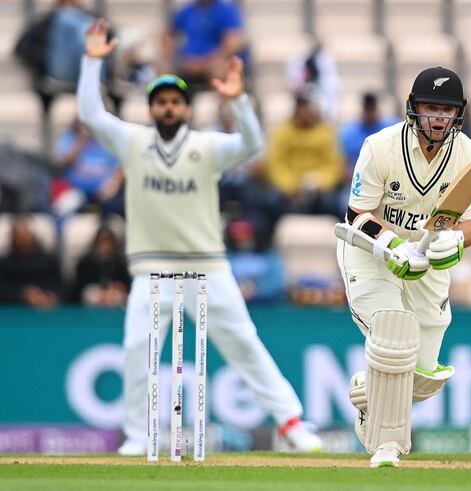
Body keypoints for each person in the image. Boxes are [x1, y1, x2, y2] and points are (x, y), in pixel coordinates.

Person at [77, 19, 321, 455]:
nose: (168, 108)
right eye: (161, 102)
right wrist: (92, 62)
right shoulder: (132, 143)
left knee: (243, 343)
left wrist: (240, 100)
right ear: (151, 109)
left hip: (206, 267)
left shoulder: (206, 147)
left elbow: (251, 146)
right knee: (138, 350)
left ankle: (291, 423)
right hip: (152, 269)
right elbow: (92, 115)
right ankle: (137, 436)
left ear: (187, 108)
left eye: (176, 102)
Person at [337, 67, 471, 467]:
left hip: (429, 261)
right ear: (413, 109)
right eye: (431, 107)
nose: (438, 117)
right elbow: (357, 214)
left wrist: (453, 242)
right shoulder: (380, 146)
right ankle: (388, 449)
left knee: (425, 377)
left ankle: (369, 389)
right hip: (371, 254)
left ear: (459, 114)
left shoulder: (470, 155)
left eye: (447, 109)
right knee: (395, 340)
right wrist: (393, 245)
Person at [247, 94, 344, 245]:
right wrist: (291, 187)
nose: (304, 112)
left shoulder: (326, 132)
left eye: (307, 107)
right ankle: (268, 247)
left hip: (320, 191)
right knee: (267, 205)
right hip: (289, 192)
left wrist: (320, 184)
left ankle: (345, 250)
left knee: (342, 206)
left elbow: (333, 166)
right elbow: (276, 165)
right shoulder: (283, 132)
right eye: (301, 107)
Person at [161, 0, 248, 90]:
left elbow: (232, 43)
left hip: (213, 63)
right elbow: (167, 35)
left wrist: (205, 63)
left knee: (222, 71)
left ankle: (220, 103)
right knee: (165, 69)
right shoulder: (186, 10)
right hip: (187, 62)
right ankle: (171, 102)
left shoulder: (227, 11)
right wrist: (174, 56)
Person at [52, 119, 124, 217]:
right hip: (76, 191)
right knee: (61, 208)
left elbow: (121, 166)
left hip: (104, 193)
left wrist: (113, 184)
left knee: (117, 206)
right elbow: (64, 162)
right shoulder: (71, 137)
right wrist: (81, 140)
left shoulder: (110, 141)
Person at [0, 215, 62, 308]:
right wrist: (23, 295)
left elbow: (60, 286)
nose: (23, 239)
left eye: (26, 235)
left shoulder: (48, 260)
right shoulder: (5, 263)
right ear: (13, 237)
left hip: (46, 309)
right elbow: (3, 290)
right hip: (15, 310)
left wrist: (49, 296)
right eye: (19, 236)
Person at [73, 224, 131, 307]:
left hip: (114, 298)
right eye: (103, 241)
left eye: (108, 241)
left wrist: (118, 287)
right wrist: (100, 293)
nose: (106, 245)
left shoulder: (120, 263)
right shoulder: (85, 263)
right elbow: (79, 289)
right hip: (94, 298)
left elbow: (126, 286)